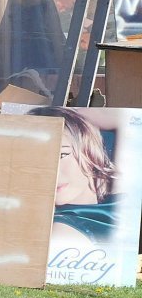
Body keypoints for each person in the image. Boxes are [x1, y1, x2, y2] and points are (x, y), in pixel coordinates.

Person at [28, 106, 119, 247]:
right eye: (37, 161)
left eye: (62, 155)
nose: (52, 172)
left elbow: (125, 120)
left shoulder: (118, 198)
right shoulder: (63, 231)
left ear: (88, 150)